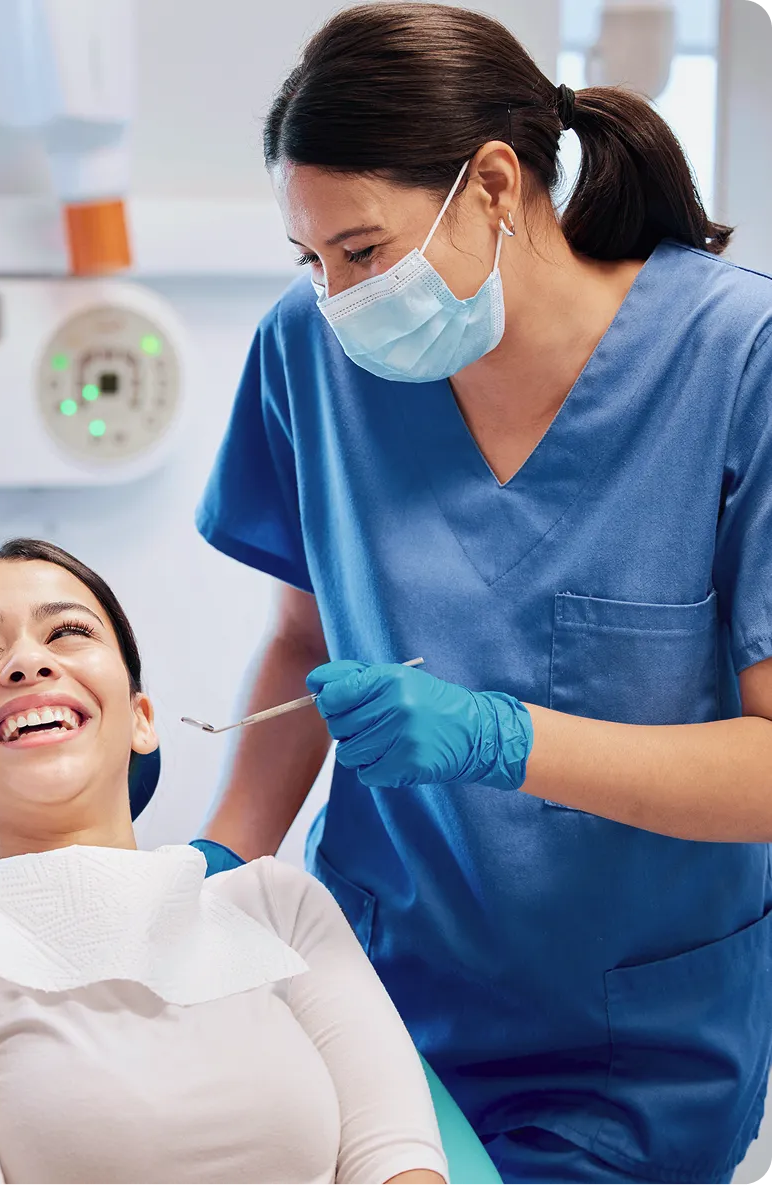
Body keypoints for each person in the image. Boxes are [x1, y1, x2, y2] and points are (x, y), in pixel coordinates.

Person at [195, 4, 772, 1183]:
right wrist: (223, 860)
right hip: (366, 997)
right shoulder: (307, 353)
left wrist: (502, 743)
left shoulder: (735, 362)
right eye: (309, 262)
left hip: (631, 1047)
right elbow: (298, 639)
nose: (338, 298)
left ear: (494, 184)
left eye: (361, 252)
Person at [0, 538, 448, 1185]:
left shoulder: (278, 904)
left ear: (141, 719)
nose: (27, 662)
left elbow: (400, 1164)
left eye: (68, 631)